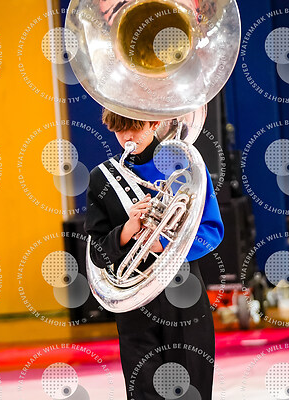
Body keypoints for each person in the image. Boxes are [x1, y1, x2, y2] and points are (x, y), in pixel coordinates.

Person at [84, 108, 224, 399]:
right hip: (134, 306)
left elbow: (212, 231)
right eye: (119, 129)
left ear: (155, 122)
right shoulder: (102, 178)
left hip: (184, 296)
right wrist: (127, 230)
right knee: (144, 392)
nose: (127, 137)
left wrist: (164, 243)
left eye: (134, 127)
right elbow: (98, 254)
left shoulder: (186, 166)